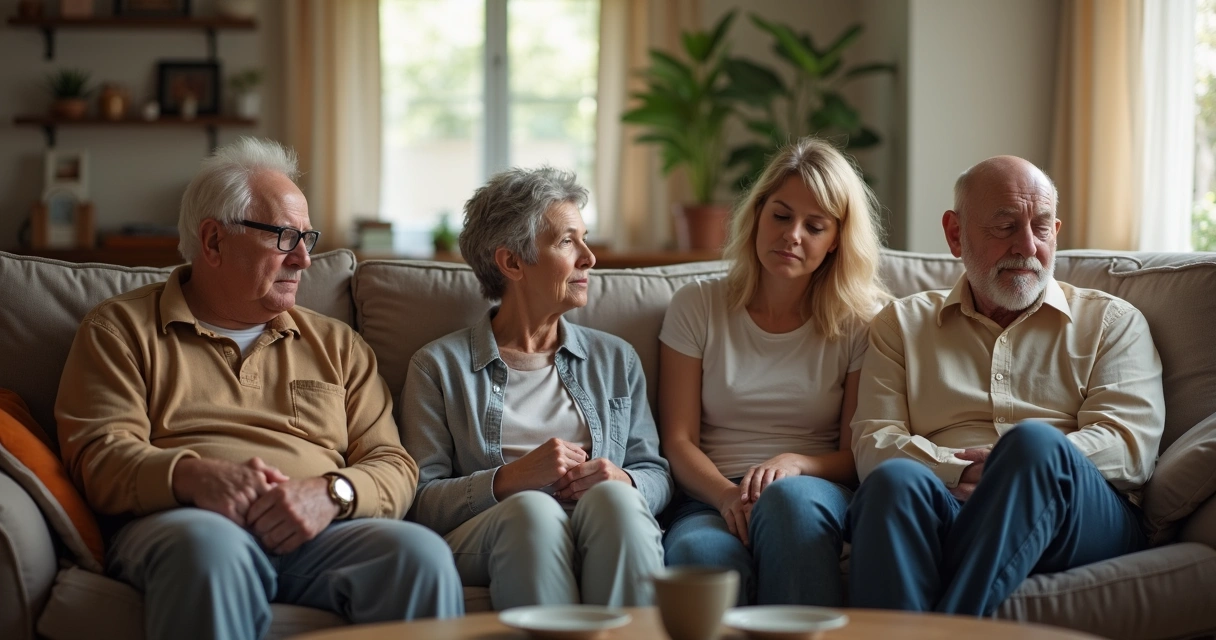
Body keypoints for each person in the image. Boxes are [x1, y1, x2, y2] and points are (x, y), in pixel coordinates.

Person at [55, 137, 464, 640]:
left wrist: (332, 492)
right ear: (213, 241)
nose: (304, 261)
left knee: (419, 556)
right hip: (186, 527)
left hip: (320, 534)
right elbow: (96, 455)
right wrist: (193, 477)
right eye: (284, 238)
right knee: (209, 549)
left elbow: (394, 463)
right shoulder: (120, 330)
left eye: (307, 239)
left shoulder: (337, 344)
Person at [847, 155, 1165, 615]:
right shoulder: (902, 324)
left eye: (1041, 228)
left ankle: (955, 626)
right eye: (1005, 226)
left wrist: (1016, 468)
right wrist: (958, 470)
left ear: (1056, 231)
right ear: (955, 234)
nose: (1027, 246)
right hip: (948, 499)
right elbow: (874, 442)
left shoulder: (1111, 323)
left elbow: (1129, 446)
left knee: (1033, 444)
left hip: (1077, 516)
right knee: (892, 482)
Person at [401, 166, 672, 610]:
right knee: (534, 510)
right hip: (496, 530)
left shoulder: (616, 359)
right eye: (568, 241)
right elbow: (420, 501)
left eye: (585, 238)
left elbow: (656, 473)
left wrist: (622, 477)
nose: (589, 257)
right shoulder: (437, 367)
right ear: (511, 262)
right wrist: (512, 478)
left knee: (617, 501)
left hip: (600, 524)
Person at [659, 137, 890, 606]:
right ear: (757, 216)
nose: (792, 236)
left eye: (815, 226)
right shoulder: (697, 305)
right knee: (700, 552)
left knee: (789, 505)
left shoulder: (863, 322)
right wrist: (727, 497)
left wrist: (797, 464)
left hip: (813, 493)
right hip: (710, 495)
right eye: (781, 216)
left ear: (836, 242)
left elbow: (857, 452)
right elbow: (678, 440)